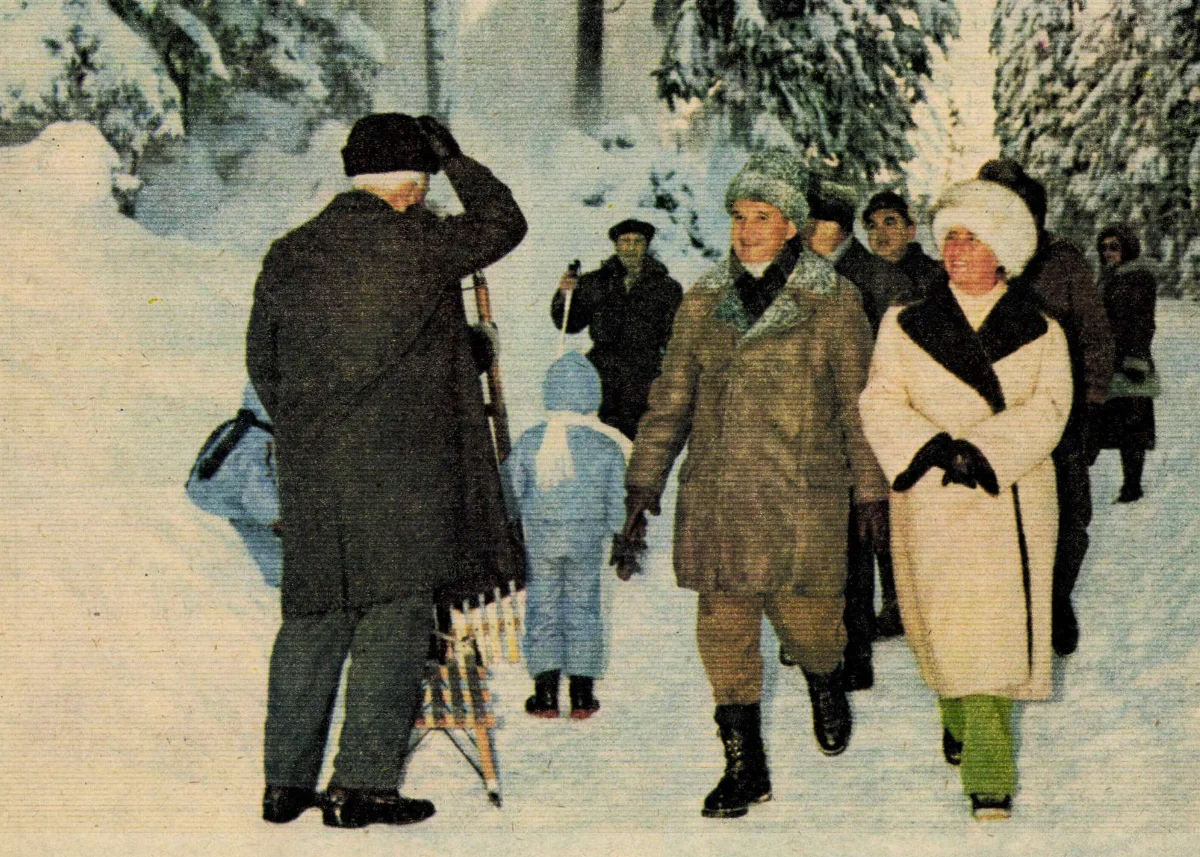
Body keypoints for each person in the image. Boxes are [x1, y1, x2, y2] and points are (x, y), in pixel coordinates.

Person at [246, 113, 527, 829]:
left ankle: (285, 785)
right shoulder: (421, 243)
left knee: (312, 619)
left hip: (313, 475)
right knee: (394, 619)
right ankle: (360, 787)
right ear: (409, 189)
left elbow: (264, 366)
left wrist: (312, 433)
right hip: (403, 476)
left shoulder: (288, 252)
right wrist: (459, 159)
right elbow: (504, 222)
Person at [620, 153, 888, 819]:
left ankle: (825, 676)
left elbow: (861, 401)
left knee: (810, 623)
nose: (746, 230)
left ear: (793, 224)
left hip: (801, 493)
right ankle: (744, 764)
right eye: (739, 217)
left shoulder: (833, 300)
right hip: (719, 496)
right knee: (723, 628)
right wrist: (643, 481)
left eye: (761, 217)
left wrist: (871, 490)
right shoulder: (703, 299)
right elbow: (672, 395)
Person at [859, 179, 1073, 821]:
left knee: (993, 638)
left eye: (970, 238)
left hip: (1009, 495)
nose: (954, 250)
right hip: (932, 498)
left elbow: (1051, 407)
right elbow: (880, 398)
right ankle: (955, 706)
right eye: (949, 236)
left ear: (1002, 251)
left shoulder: (1041, 330)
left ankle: (988, 769)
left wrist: (981, 452)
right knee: (946, 626)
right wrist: (932, 450)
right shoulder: (904, 323)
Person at [976, 159, 1114, 657]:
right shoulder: (972, 258)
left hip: (1060, 414)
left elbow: (1096, 337)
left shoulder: (1063, 261)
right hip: (992, 419)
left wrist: (1094, 405)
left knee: (1070, 516)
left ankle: (1055, 599)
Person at [802, 177, 916, 689]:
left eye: (814, 223)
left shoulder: (869, 274)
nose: (805, 231)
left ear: (837, 228)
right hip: (815, 426)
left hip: (864, 421)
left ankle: (858, 648)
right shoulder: (808, 271)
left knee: (858, 536)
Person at [504, 352, 630, 719]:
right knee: (584, 609)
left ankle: (544, 693)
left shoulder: (531, 442)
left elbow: (510, 490)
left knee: (542, 607)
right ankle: (581, 693)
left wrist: (515, 519)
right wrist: (619, 533)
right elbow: (617, 502)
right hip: (586, 544)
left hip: (541, 541)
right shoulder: (607, 447)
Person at [550, 218, 684, 439]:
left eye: (637, 241)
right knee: (597, 435)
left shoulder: (666, 287)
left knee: (636, 439)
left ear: (646, 246)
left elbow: (675, 336)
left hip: (644, 374)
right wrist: (564, 294)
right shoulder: (595, 282)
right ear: (616, 245)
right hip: (602, 371)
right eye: (625, 241)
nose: (631, 247)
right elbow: (569, 323)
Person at [185, 383, 283, 588]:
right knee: (260, 524)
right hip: (221, 499)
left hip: (215, 496)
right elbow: (258, 497)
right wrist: (278, 521)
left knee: (253, 529)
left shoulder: (242, 430)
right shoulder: (259, 439)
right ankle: (277, 579)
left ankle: (276, 577)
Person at [1094, 224, 1158, 503]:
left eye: (1114, 246)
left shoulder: (1138, 277)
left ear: (1128, 247)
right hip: (1109, 360)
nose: (1108, 252)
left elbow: (1143, 323)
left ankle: (1132, 486)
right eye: (1104, 247)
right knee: (1110, 422)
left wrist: (1135, 358)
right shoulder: (1108, 277)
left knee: (1133, 427)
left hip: (1131, 361)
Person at [862, 190, 948, 299]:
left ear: (910, 231)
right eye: (872, 226)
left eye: (889, 223)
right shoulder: (859, 278)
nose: (880, 233)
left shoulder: (937, 276)